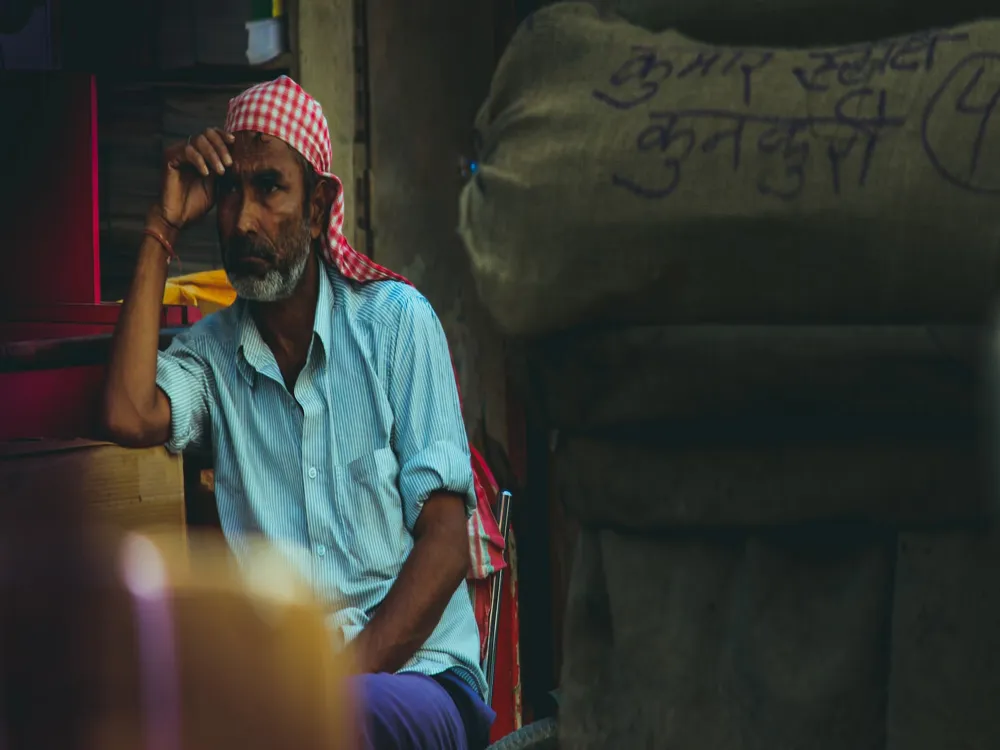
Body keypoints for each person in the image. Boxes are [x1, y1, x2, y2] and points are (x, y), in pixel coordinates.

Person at [101, 76, 495, 750]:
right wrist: (163, 227)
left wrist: (321, 690)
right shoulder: (212, 357)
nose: (244, 219)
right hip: (283, 704)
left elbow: (445, 545)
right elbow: (128, 413)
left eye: (269, 190)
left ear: (316, 210)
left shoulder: (398, 326)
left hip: (421, 682)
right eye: (230, 192)